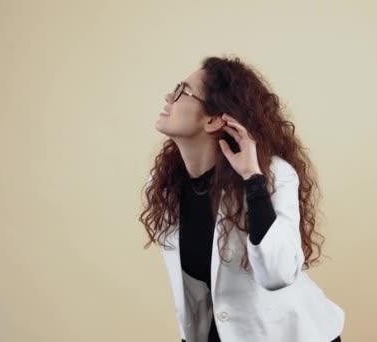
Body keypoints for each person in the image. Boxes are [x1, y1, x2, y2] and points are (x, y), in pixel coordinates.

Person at [140, 56, 344, 342]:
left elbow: (278, 274)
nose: (168, 97)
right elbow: (197, 292)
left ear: (212, 119)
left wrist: (253, 181)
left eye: (182, 91)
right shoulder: (167, 186)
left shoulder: (272, 175)